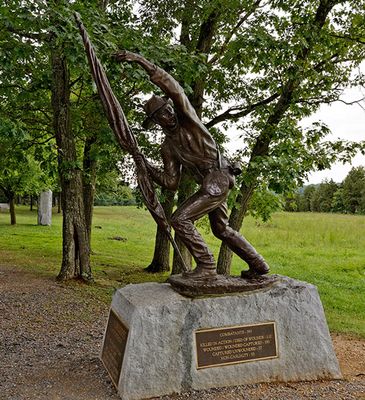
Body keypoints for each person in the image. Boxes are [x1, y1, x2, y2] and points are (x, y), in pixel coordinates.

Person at [115, 50, 269, 279]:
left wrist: (140, 60)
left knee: (179, 219)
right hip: (210, 184)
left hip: (218, 177)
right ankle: (259, 265)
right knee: (221, 229)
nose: (168, 115)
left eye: (168, 110)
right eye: (162, 115)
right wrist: (144, 164)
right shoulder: (168, 148)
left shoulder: (189, 121)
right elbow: (171, 182)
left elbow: (173, 87)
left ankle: (206, 265)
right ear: (156, 122)